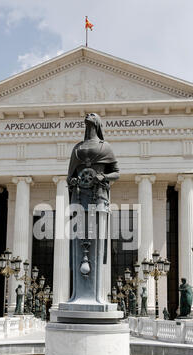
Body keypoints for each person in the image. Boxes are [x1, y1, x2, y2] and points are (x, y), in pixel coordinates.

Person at [67, 113, 120, 306]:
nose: (89, 116)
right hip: (80, 197)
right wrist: (73, 180)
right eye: (88, 115)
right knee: (78, 241)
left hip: (99, 197)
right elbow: (69, 176)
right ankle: (78, 296)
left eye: (93, 115)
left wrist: (103, 178)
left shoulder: (105, 148)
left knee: (96, 239)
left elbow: (116, 173)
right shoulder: (77, 149)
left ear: (98, 123)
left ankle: (96, 296)